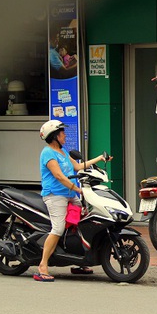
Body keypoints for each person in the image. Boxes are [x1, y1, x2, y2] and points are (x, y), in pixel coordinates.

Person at [35, 120, 111, 282]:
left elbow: (78, 167)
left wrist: (99, 158)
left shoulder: (63, 152)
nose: (64, 135)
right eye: (62, 132)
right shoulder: (48, 153)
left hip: (69, 193)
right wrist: (76, 189)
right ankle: (43, 265)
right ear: (54, 136)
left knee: (85, 218)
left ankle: (78, 259)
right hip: (55, 195)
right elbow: (58, 176)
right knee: (58, 228)